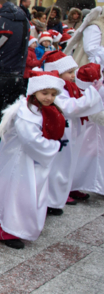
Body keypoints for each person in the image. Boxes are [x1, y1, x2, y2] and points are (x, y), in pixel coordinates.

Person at [0, 71, 66, 249]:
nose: (49, 98)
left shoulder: (41, 109)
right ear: (35, 91)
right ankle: (8, 229)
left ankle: (20, 226)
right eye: (45, 93)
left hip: (31, 162)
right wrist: (53, 147)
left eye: (53, 94)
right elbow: (31, 140)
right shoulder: (26, 113)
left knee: (28, 195)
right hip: (20, 162)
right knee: (18, 195)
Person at [40, 52, 102, 214]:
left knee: (72, 162)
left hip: (73, 129)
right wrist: (92, 93)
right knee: (60, 165)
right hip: (62, 131)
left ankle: (68, 188)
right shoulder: (55, 90)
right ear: (58, 73)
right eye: (69, 73)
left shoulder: (69, 87)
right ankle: (53, 198)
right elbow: (70, 107)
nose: (73, 76)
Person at [71, 64, 104, 198]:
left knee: (91, 158)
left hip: (93, 129)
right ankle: (73, 185)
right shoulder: (95, 91)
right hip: (88, 129)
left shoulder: (92, 90)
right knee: (82, 157)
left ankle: (78, 184)